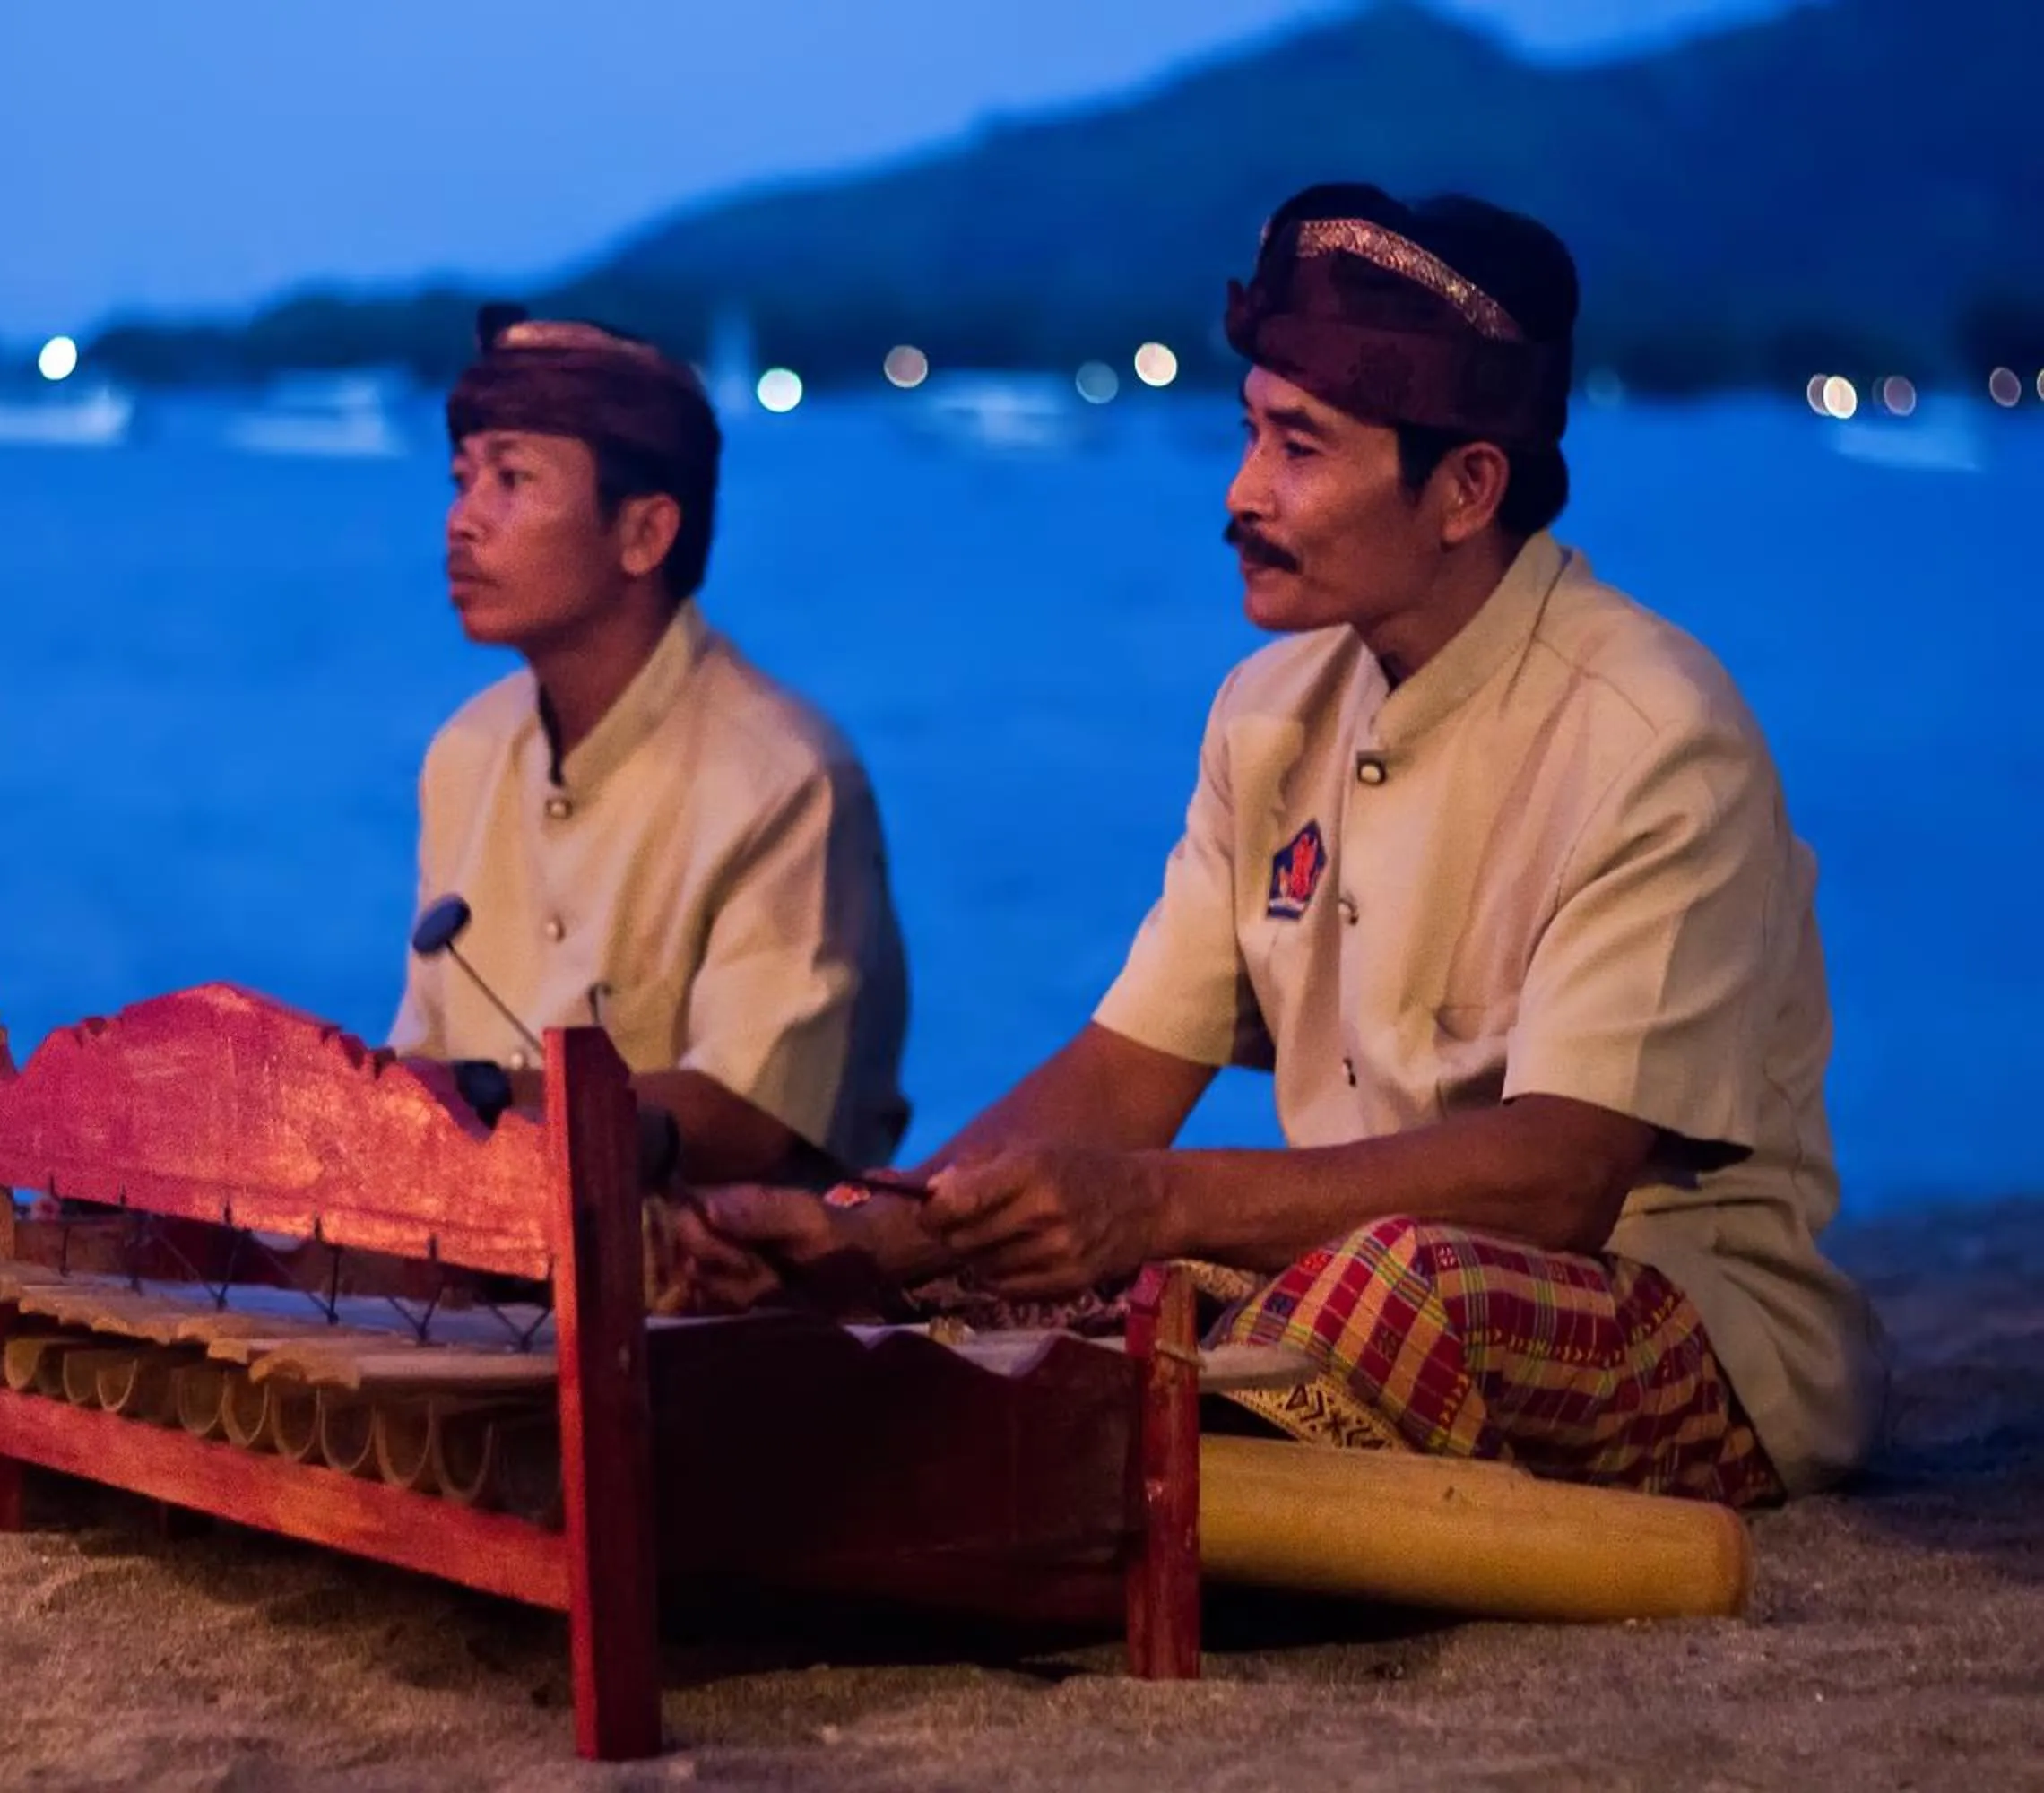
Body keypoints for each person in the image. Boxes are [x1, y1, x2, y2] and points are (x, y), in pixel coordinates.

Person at [683, 185, 1887, 1503]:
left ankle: (1071, 1473)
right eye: (1248, 433)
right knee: (1004, 1258)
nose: (1242, 493)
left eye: (1301, 449)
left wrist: (1157, 1207)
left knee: (1382, 1291)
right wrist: (872, 1230)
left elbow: (1562, 1181)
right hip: (1325, 1276)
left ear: (1466, 488)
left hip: (1663, 1313)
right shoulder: (1268, 715)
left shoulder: (1653, 730)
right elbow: (1121, 1074)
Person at [390, 305, 913, 1185]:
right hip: (492, 1275)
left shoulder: (784, 774)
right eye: (461, 478)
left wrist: (476, 1093)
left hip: (722, 1303)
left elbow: (756, 1114)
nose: (461, 521)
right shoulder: (466, 751)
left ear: (644, 532)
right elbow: (422, 1057)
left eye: (511, 479)